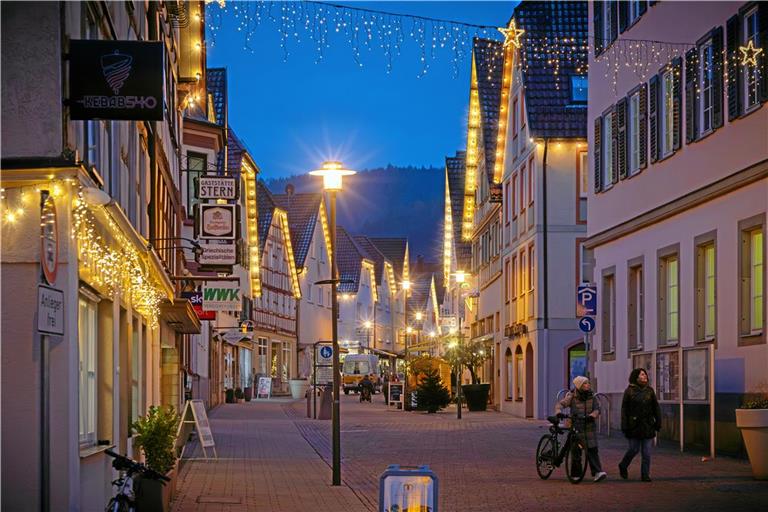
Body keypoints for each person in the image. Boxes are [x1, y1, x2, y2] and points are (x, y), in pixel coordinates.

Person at [555, 376, 607, 482]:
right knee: (576, 451)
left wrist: (593, 415)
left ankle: (597, 472)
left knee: (592, 449)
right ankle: (575, 474)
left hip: (589, 426)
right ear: (579, 386)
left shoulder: (592, 397)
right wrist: (558, 412)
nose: (588, 385)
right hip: (576, 427)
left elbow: (597, 409)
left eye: (588, 383)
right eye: (585, 383)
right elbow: (560, 404)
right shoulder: (572, 397)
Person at [619, 368, 661, 482]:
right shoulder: (629, 391)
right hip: (634, 425)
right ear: (636, 377)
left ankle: (645, 474)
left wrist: (658, 422)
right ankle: (623, 465)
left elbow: (655, 407)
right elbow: (624, 410)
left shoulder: (650, 391)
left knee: (646, 452)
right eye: (642, 374)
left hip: (647, 425)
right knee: (633, 449)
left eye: (645, 374)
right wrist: (625, 425)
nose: (645, 376)